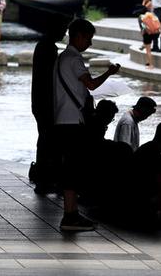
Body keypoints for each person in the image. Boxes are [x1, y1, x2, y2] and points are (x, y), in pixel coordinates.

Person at [53, 19, 120, 231]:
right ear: (79, 36)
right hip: (72, 121)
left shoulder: (62, 58)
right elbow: (90, 85)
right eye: (88, 38)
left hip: (63, 119)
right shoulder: (73, 59)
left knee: (70, 168)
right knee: (73, 169)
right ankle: (70, 217)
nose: (89, 43)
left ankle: (71, 213)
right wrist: (109, 73)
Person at [30, 20, 68, 194]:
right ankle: (44, 180)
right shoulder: (49, 48)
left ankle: (43, 178)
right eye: (62, 29)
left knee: (44, 139)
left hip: (39, 101)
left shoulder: (42, 45)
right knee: (47, 140)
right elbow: (51, 76)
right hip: (46, 102)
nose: (63, 33)